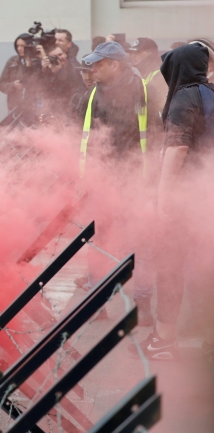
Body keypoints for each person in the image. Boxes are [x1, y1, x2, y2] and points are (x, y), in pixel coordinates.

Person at [131, 43, 214, 360]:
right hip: (205, 195)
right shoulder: (210, 94)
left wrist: (163, 201)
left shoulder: (183, 98)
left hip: (184, 198)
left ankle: (164, 340)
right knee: (204, 268)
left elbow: (178, 149)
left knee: (170, 267)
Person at [77, 41, 156, 324]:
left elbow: (156, 133)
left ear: (115, 64)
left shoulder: (142, 89)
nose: (92, 69)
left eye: (98, 64)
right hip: (103, 180)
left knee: (140, 241)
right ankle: (97, 304)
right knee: (100, 239)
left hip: (136, 178)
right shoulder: (91, 95)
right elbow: (83, 138)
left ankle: (143, 304)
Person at [129, 37, 167, 129]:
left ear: (150, 54)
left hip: (155, 130)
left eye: (137, 52)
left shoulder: (160, 76)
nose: (133, 56)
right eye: (132, 52)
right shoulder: (139, 73)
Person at [38, 45, 84, 117]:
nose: (59, 58)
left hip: (72, 110)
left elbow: (72, 87)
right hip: (53, 112)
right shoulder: (47, 72)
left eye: (60, 54)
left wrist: (59, 72)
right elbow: (40, 89)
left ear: (65, 54)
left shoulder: (74, 67)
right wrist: (43, 70)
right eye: (54, 57)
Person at [0, 33, 38, 113]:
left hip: (33, 108)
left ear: (30, 46)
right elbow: (1, 85)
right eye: (17, 46)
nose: (19, 48)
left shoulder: (37, 62)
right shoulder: (12, 61)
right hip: (14, 107)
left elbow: (40, 84)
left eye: (22, 46)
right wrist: (13, 85)